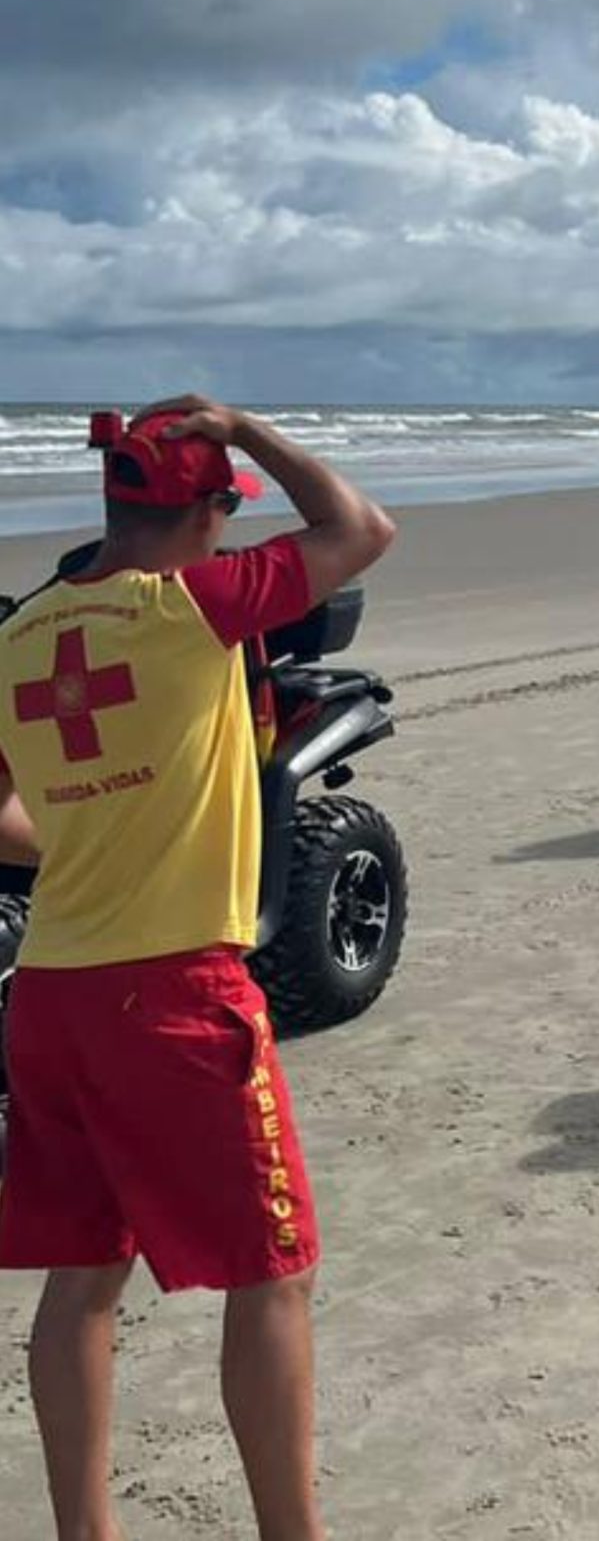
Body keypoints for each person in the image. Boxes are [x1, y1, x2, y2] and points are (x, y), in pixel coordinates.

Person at [0, 397, 397, 1541]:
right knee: (273, 1273)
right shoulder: (194, 610)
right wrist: (248, 425)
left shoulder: (20, 636)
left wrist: (90, 838)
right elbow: (359, 526)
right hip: (172, 995)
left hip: (51, 991)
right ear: (206, 513)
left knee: (80, 1279)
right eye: (227, 510)